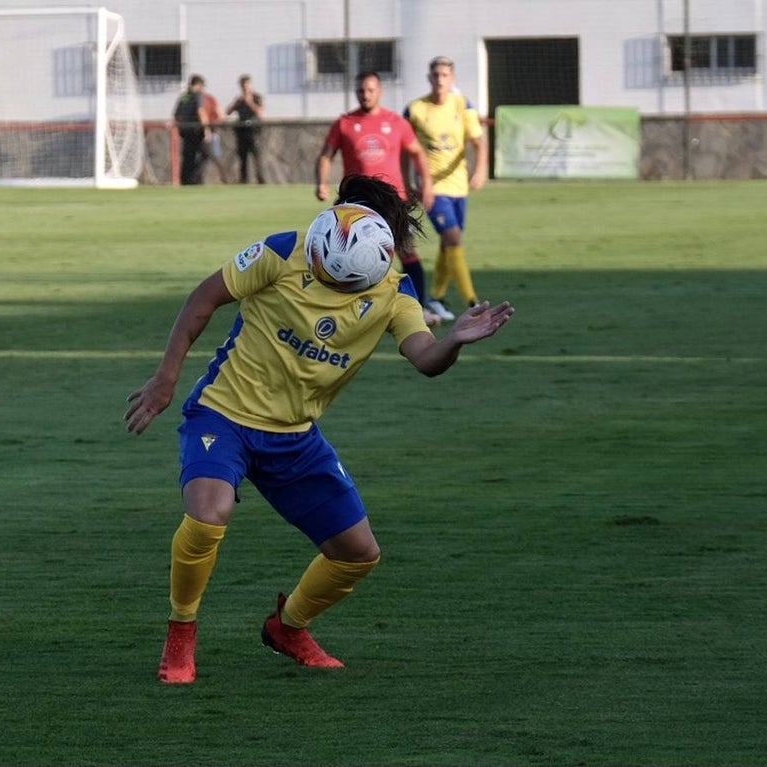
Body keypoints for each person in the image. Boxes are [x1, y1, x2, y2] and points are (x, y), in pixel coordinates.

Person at [124, 174, 514, 684]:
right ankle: (181, 633)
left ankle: (288, 627)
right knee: (208, 514)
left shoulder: (396, 292)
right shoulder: (284, 250)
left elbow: (424, 358)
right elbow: (202, 300)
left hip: (294, 437)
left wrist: (455, 340)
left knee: (358, 553)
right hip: (223, 414)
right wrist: (164, 379)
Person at [316, 70, 441, 327]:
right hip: (355, 205)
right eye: (361, 90)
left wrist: (426, 185)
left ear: (380, 91)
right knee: (349, 256)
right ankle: (344, 310)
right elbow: (326, 155)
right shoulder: (345, 123)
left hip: (393, 202)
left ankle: (417, 307)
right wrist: (322, 182)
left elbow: (417, 153)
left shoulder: (396, 122)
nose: (365, 95)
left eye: (370, 90)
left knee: (407, 253)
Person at [404, 55, 489, 321]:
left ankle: (437, 297)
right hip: (433, 188)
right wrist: (408, 182)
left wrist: (480, 170)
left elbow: (478, 142)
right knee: (453, 239)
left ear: (452, 79)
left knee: (447, 245)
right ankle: (472, 302)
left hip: (459, 186)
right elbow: (404, 147)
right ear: (429, 78)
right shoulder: (416, 109)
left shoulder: (463, 105)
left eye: (444, 75)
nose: (440, 80)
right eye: (435, 75)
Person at [173, 74, 212, 186]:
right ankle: (196, 178)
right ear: (199, 85)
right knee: (205, 154)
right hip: (196, 130)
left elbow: (176, 114)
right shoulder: (198, 96)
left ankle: (185, 179)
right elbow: (201, 112)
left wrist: (181, 127)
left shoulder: (184, 97)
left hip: (185, 130)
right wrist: (206, 129)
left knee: (188, 156)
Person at [226, 74, 266, 184]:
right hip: (242, 131)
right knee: (242, 158)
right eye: (243, 86)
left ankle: (260, 179)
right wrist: (236, 104)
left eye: (247, 85)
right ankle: (243, 180)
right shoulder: (239, 100)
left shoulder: (257, 97)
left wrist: (250, 102)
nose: (245, 88)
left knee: (257, 157)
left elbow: (260, 113)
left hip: (254, 131)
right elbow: (228, 112)